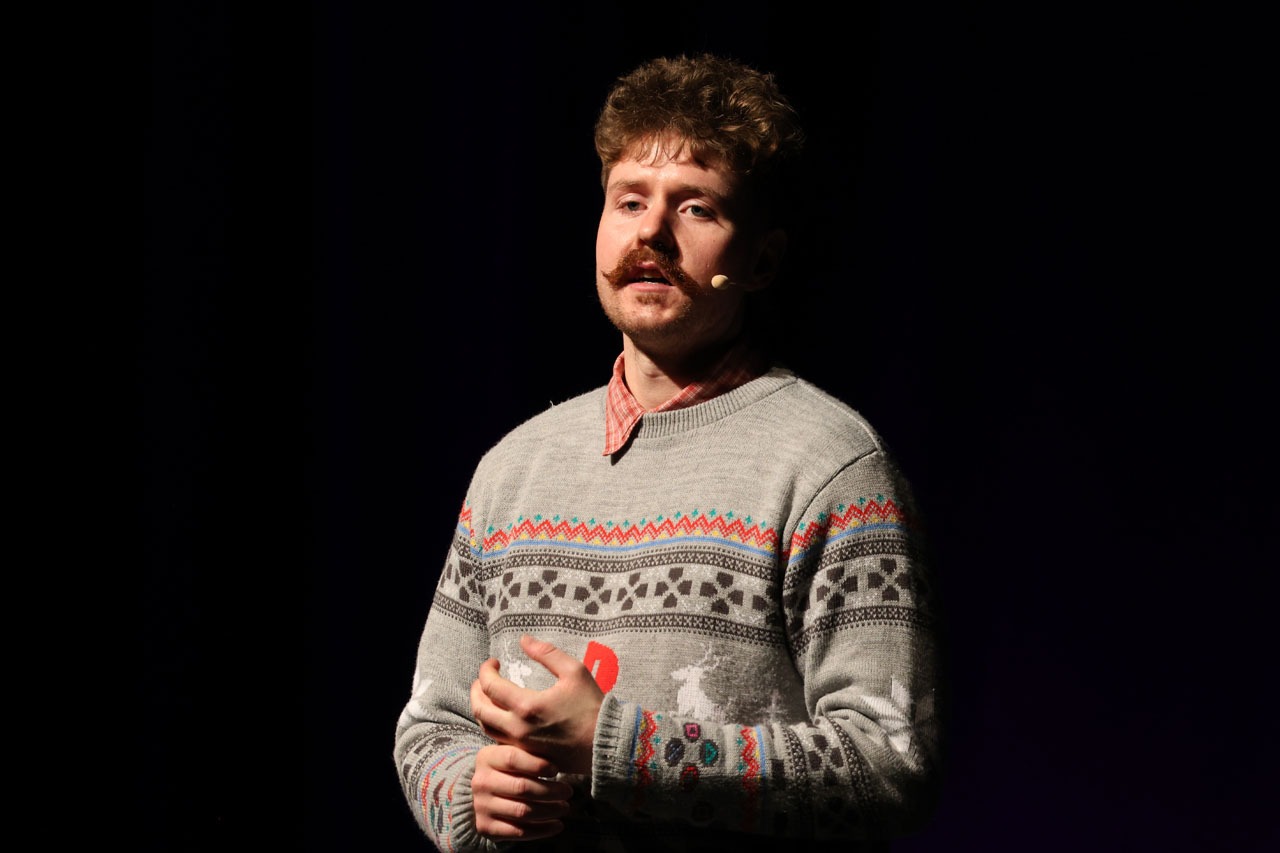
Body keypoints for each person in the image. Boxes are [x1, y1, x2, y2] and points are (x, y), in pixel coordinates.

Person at [393, 53, 943, 852]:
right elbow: (429, 726)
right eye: (629, 201)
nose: (649, 232)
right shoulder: (512, 469)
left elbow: (890, 763)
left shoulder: (833, 468)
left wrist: (619, 746)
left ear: (761, 260)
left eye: (695, 207)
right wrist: (467, 786)